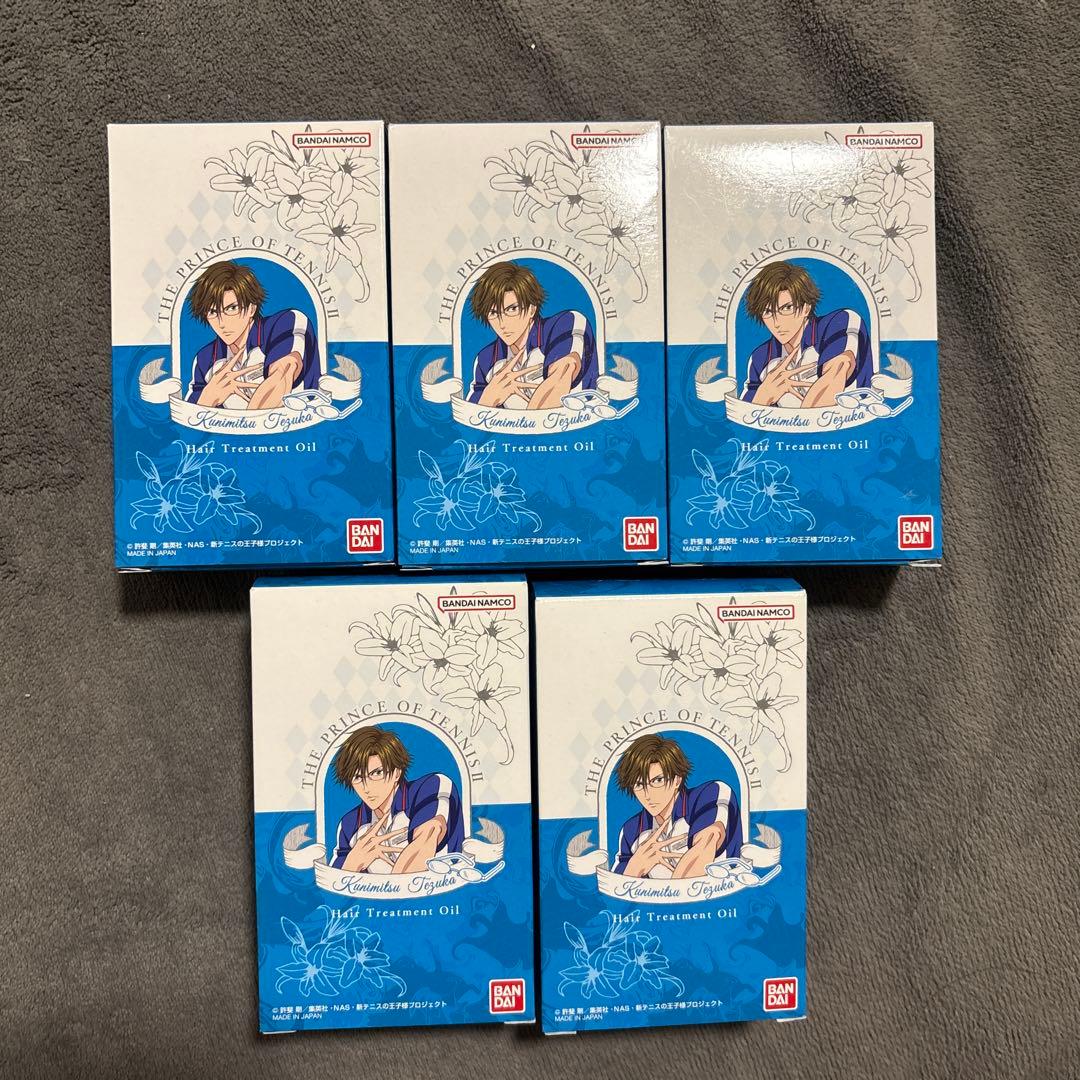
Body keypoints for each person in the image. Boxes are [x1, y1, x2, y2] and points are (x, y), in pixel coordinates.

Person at [185, 260, 319, 410]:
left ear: (251, 308)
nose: (222, 323)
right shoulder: (204, 359)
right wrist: (208, 398)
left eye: (232, 308)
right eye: (213, 312)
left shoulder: (286, 322)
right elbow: (188, 417)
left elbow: (282, 375)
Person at [329, 726, 464, 875]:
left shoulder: (431, 787)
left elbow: (427, 838)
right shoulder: (349, 824)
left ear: (397, 772)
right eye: (358, 777)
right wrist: (353, 863)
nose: (367, 787)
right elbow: (332, 882)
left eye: (377, 773)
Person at [740, 261, 873, 408]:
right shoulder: (760, 358)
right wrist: (764, 396)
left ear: (806, 308)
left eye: (787, 308)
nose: (777, 322)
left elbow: (836, 373)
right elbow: (743, 415)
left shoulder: (839, 322)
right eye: (768, 312)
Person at [466, 261, 597, 409]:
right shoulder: (486, 359)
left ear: (531, 309)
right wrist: (490, 398)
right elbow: (469, 417)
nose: (502, 323)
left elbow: (562, 373)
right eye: (494, 313)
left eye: (512, 309)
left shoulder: (566, 323)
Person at [612, 733, 741, 879]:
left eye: (658, 780)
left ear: (677, 780)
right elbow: (615, 886)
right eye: (639, 784)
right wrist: (635, 867)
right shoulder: (631, 830)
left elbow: (707, 842)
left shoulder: (710, 794)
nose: (648, 794)